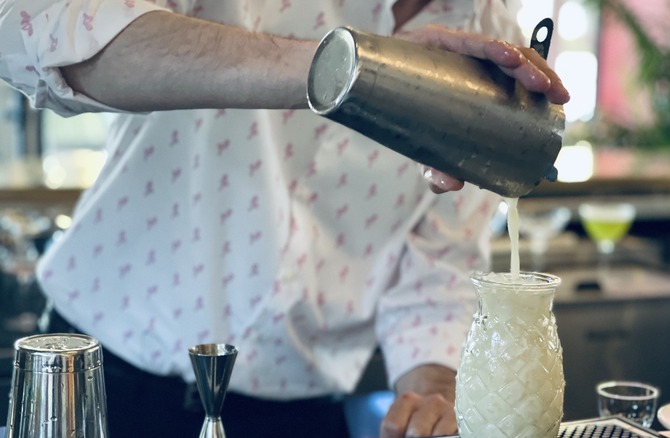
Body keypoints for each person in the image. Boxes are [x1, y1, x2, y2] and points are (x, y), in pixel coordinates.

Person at [0, 1, 569, 437]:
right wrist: (345, 67)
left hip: (295, 413)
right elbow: (34, 29)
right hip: (100, 376)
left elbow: (439, 263)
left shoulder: (499, 50)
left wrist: (432, 390)